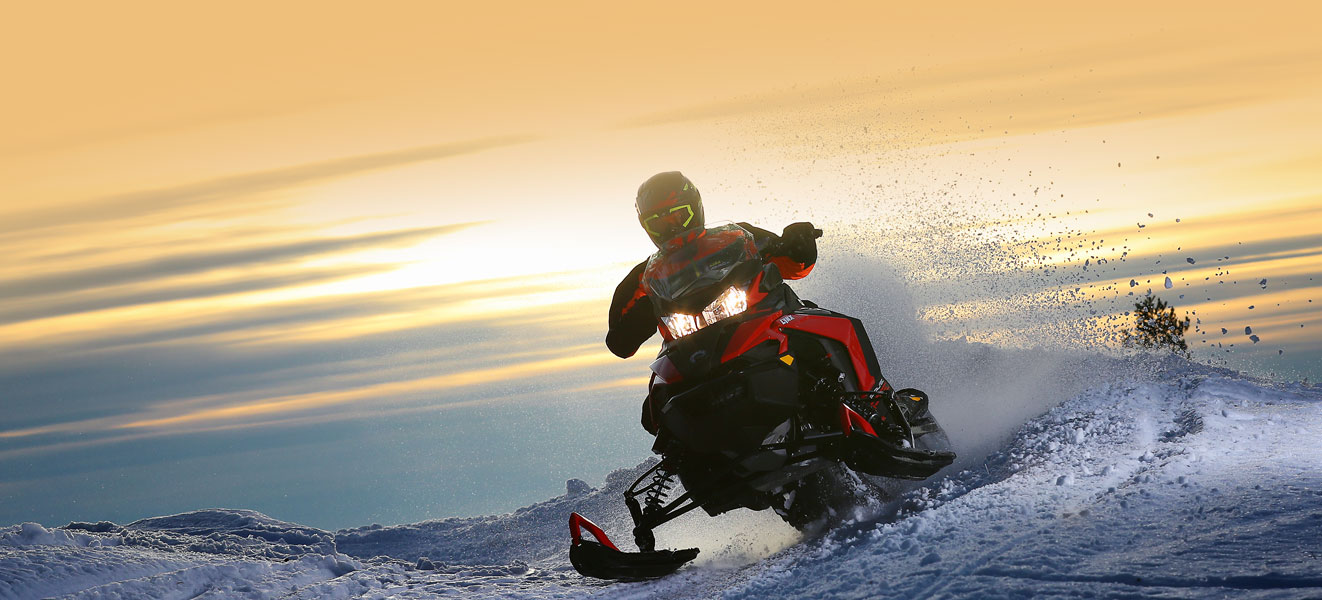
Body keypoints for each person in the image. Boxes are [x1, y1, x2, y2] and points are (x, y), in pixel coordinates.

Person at [605, 171, 820, 360]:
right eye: (659, 223)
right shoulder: (644, 275)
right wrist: (641, 317)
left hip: (757, 322)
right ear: (647, 226)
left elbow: (794, 267)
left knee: (813, 329)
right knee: (657, 395)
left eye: (679, 215)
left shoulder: (736, 236)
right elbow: (620, 344)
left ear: (695, 208)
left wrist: (797, 242)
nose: (672, 227)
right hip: (688, 349)